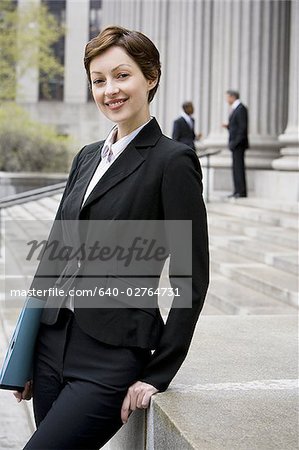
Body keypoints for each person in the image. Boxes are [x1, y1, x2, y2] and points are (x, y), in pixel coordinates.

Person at [15, 26, 209, 450]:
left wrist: (160, 372)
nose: (109, 90)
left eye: (122, 76)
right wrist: (25, 350)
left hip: (111, 354)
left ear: (151, 76)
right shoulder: (86, 156)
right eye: (98, 81)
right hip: (51, 346)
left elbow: (189, 276)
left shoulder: (172, 161)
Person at [222, 90, 249, 198]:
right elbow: (236, 126)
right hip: (235, 144)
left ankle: (241, 191)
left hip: (239, 144)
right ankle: (237, 190)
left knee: (239, 168)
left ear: (233, 97)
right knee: (235, 168)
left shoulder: (241, 109)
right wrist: (228, 126)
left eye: (227, 97)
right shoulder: (236, 109)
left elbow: (242, 128)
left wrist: (235, 142)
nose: (226, 100)